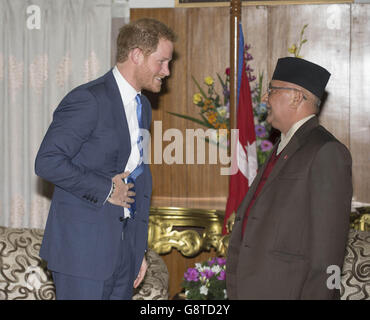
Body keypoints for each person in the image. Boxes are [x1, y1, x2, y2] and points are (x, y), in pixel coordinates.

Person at [35, 18, 176, 300]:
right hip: (82, 254)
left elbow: (134, 175)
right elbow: (47, 161)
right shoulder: (88, 99)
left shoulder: (143, 106)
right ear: (137, 55)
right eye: (161, 62)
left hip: (124, 253)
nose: (167, 71)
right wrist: (107, 189)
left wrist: (137, 252)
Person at [226, 57, 352, 299]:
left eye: (272, 90)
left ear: (296, 97)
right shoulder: (282, 145)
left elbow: (328, 253)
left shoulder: (326, 151)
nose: (265, 98)